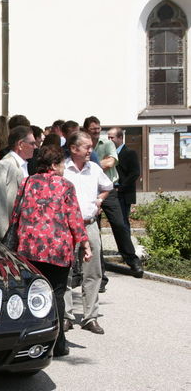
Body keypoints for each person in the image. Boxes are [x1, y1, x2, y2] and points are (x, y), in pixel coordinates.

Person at [9, 145, 91, 357]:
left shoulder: (27, 182)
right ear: (54, 165)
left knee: (32, 295)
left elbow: (15, 215)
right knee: (56, 295)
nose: (64, 167)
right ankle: (59, 343)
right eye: (62, 163)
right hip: (57, 250)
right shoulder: (65, 185)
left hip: (29, 250)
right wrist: (85, 244)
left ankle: (30, 342)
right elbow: (74, 219)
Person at [63, 131, 113, 335]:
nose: (90, 151)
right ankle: (66, 316)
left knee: (93, 271)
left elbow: (108, 186)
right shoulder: (63, 169)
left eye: (91, 147)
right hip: (66, 227)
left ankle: (90, 317)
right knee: (64, 272)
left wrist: (100, 200)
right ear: (74, 149)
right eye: (87, 147)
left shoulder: (94, 168)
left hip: (89, 224)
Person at [84, 116, 143, 279]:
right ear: (86, 130)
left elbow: (110, 162)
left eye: (98, 128)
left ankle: (132, 259)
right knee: (94, 231)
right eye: (93, 128)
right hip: (90, 191)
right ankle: (100, 274)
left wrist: (90, 164)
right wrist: (97, 163)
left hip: (108, 189)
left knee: (119, 224)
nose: (96, 131)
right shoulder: (83, 144)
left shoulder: (107, 143)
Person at [0, 126, 36, 239]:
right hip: (8, 237)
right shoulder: (4, 166)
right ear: (21, 144)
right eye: (32, 143)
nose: (35, 147)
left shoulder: (23, 165)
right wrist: (4, 236)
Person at [108, 127, 140, 232]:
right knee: (115, 222)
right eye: (108, 137)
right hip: (110, 191)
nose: (109, 140)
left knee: (123, 222)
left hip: (123, 193)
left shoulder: (130, 153)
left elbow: (135, 173)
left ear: (120, 137)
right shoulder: (108, 154)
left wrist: (121, 188)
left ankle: (126, 248)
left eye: (112, 137)